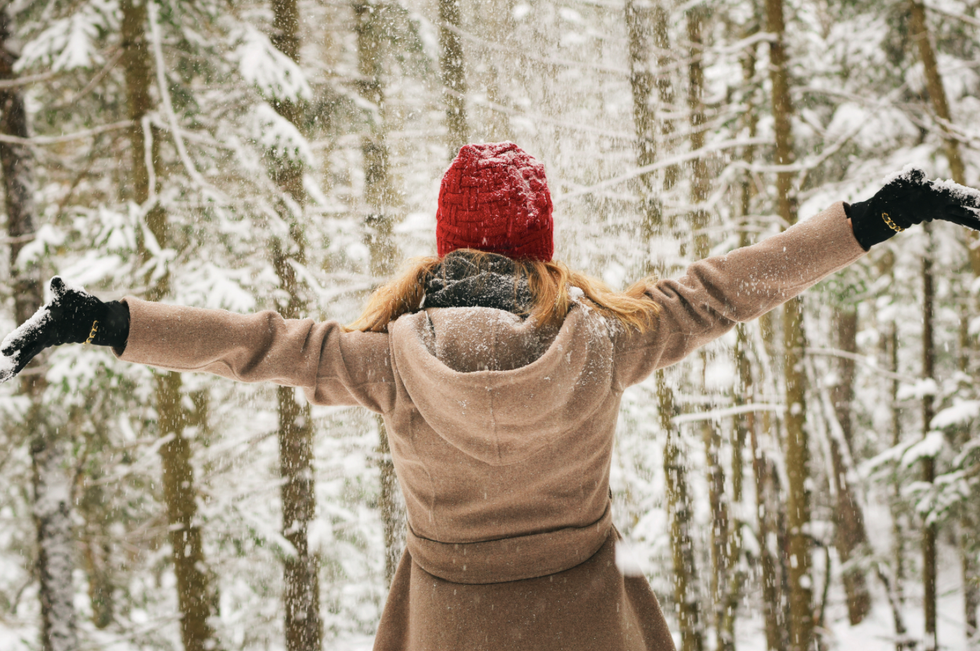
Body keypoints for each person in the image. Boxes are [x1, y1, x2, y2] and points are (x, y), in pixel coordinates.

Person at [2, 142, 980, 650]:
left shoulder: (383, 361)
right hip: (591, 628)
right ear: (539, 243)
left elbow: (252, 348)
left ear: (444, 246)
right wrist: (877, 215)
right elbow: (732, 286)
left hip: (449, 630)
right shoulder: (605, 340)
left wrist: (103, 321)